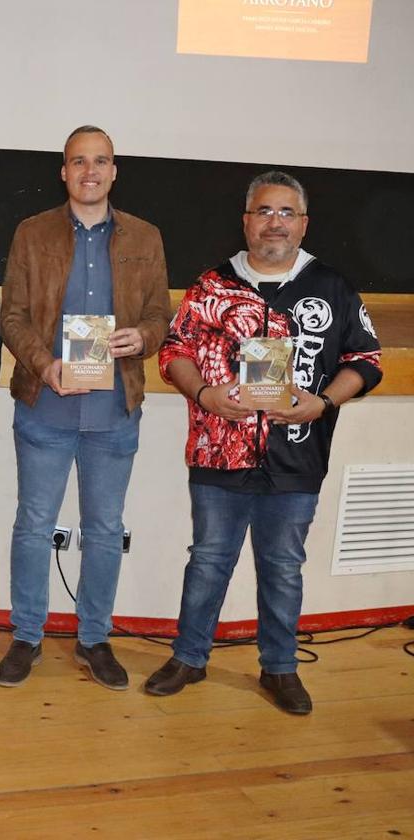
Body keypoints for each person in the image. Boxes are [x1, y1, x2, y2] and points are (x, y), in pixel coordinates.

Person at [146, 171, 382, 714]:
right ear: (246, 221)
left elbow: (364, 362)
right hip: (218, 453)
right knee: (207, 560)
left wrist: (322, 403)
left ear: (302, 224)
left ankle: (279, 668)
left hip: (297, 456)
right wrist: (205, 395)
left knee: (282, 566)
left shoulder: (332, 286)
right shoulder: (212, 285)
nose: (273, 222)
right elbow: (173, 351)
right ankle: (189, 657)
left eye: (285, 213)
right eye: (263, 212)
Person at [0, 126, 171, 691]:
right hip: (45, 409)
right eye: (78, 161)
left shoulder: (146, 237)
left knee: (103, 531)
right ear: (64, 172)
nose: (89, 171)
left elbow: (160, 318)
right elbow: (12, 317)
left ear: (114, 171)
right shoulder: (31, 232)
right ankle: (26, 635)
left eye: (100, 161)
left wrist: (142, 338)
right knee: (32, 527)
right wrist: (42, 364)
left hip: (114, 412)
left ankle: (94, 638)